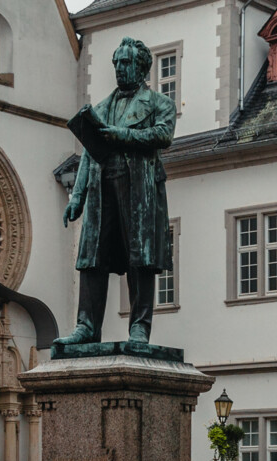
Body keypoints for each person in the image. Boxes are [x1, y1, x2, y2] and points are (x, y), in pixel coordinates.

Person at [55, 37, 177, 346]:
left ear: (141, 67)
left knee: (141, 256)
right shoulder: (101, 108)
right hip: (101, 188)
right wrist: (77, 198)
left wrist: (122, 135)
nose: (119, 69)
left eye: (125, 63)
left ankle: (139, 326)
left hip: (139, 187)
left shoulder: (160, 103)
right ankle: (86, 326)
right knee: (92, 256)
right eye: (116, 63)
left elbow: (163, 135)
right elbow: (87, 154)